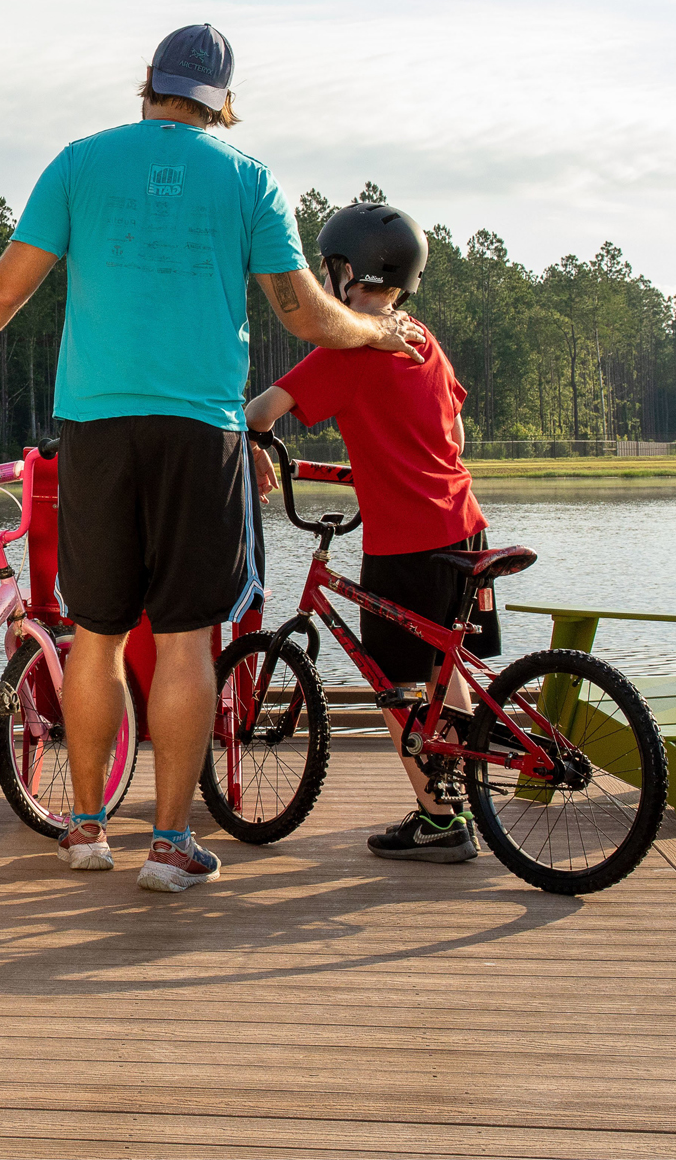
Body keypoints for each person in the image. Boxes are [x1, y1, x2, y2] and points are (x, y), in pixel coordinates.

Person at [0, 24, 423, 894]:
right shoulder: (249, 180)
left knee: (97, 635)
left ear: (148, 86)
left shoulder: (80, 163)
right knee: (188, 637)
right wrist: (379, 333)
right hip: (201, 431)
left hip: (96, 429)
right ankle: (168, 844)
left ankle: (86, 831)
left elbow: (6, 287)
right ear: (223, 104)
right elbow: (308, 316)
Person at [245, 201, 494, 864]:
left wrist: (261, 446)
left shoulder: (349, 345)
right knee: (444, 668)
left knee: (395, 685)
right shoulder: (421, 338)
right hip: (463, 526)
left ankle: (440, 822)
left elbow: (261, 411)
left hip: (407, 542)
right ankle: (465, 798)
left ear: (346, 270)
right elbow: (456, 433)